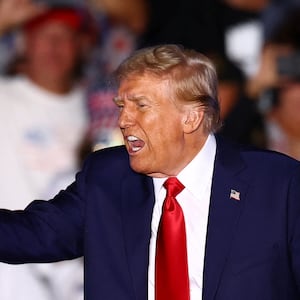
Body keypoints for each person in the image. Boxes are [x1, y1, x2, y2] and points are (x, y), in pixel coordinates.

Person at [0, 44, 300, 300]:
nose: (123, 120)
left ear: (191, 118)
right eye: (121, 105)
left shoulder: (276, 184)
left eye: (140, 106)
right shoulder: (107, 177)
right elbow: (33, 235)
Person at [0, 0, 92, 299]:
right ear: (24, 44)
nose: (54, 46)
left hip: (73, 286)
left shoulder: (103, 109)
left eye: (65, 36)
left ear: (80, 46)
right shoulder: (5, 98)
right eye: (43, 35)